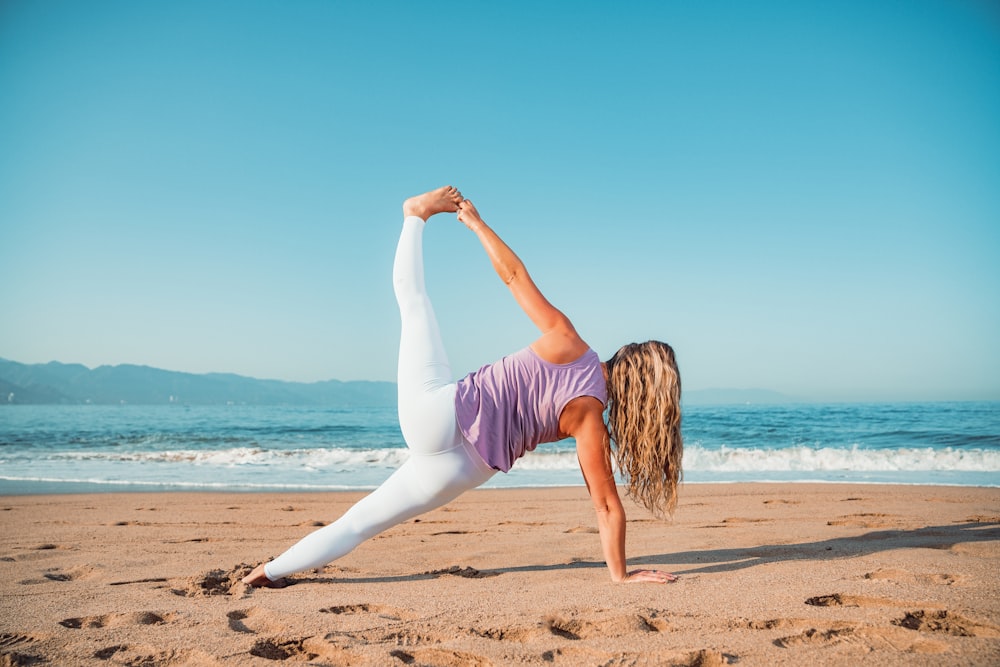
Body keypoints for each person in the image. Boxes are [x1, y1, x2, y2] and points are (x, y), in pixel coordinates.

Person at [243, 186, 682, 587]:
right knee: (360, 522)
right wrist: (621, 575)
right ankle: (268, 572)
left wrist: (476, 224)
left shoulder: (568, 341)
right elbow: (606, 507)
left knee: (415, 308)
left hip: (440, 415)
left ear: (627, 356)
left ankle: (414, 215)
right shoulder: (591, 419)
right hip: (463, 471)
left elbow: (513, 276)